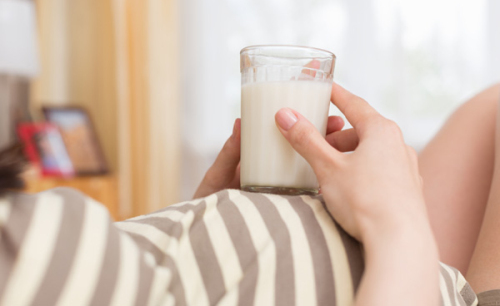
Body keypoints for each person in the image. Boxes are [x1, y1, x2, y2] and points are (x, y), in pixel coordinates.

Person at [0, 82, 495, 305]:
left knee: (490, 107)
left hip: (422, 276)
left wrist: (193, 223)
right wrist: (398, 218)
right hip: (413, 281)